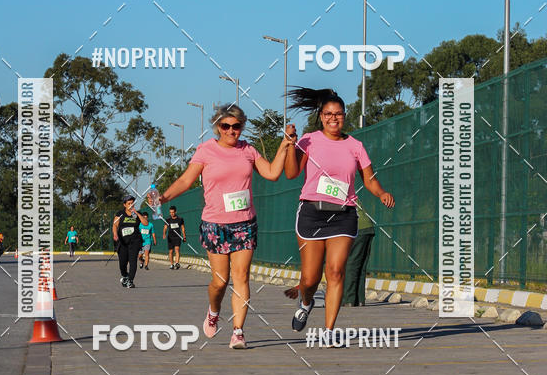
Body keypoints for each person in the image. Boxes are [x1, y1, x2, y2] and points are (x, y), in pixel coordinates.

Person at [161, 103, 293, 349]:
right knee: (220, 282)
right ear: (217, 127)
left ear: (242, 126)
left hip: (244, 223)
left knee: (241, 277)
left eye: (237, 126)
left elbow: (273, 173)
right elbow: (186, 180)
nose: (232, 131)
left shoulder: (248, 150)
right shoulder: (206, 151)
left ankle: (238, 332)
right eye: (226, 126)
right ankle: (213, 310)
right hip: (215, 225)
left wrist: (285, 146)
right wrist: (164, 197)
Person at [284, 87, 395, 334]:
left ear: (345, 116)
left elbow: (369, 179)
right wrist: (291, 146)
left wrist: (381, 192)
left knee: (335, 271)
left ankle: (328, 331)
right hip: (312, 213)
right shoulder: (308, 140)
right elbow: (291, 173)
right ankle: (306, 302)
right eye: (328, 114)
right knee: (310, 279)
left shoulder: (356, 146)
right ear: (321, 117)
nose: (333, 118)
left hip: (344, 214)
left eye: (338, 114)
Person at [112, 197, 151, 288]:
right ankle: (125, 276)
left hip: (135, 241)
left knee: (133, 261)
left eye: (132, 203)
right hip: (123, 241)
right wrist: (115, 234)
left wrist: (137, 213)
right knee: (122, 262)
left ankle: (130, 280)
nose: (131, 205)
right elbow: (115, 225)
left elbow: (145, 223)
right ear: (124, 205)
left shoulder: (137, 214)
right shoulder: (120, 214)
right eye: (129, 203)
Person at [342, 201, 375, 306]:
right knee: (361, 266)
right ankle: (360, 299)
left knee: (351, 264)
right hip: (368, 228)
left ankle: (349, 299)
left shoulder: (338, 194)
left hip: (358, 229)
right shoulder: (350, 193)